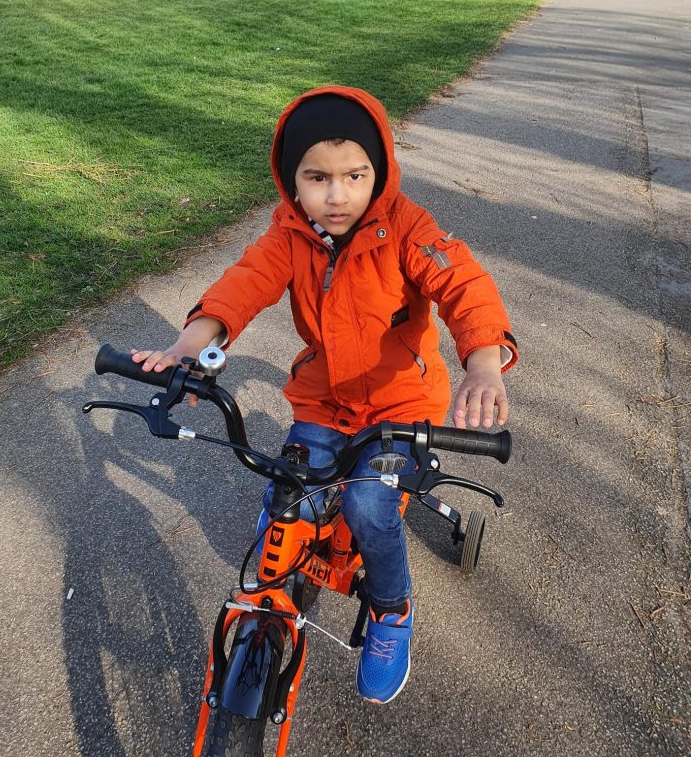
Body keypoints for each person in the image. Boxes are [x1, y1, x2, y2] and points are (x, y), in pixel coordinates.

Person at [131, 86, 518, 705]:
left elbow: (463, 284)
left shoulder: (407, 229)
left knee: (367, 506)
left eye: (355, 175)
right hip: (325, 398)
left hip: (402, 405)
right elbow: (244, 284)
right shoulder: (290, 233)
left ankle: (391, 611)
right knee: (289, 487)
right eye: (316, 178)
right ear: (292, 182)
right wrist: (190, 344)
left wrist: (483, 362)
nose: (336, 196)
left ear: (380, 171)